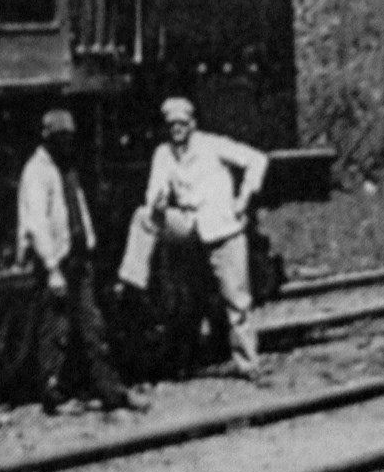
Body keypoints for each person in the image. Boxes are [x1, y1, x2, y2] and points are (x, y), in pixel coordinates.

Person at [116, 97, 269, 380]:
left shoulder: (212, 145)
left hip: (223, 229)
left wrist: (244, 198)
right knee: (143, 216)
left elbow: (257, 160)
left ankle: (249, 363)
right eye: (171, 125)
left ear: (192, 125)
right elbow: (155, 189)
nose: (177, 129)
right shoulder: (163, 153)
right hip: (188, 225)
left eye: (182, 124)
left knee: (237, 301)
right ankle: (132, 280)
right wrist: (158, 202)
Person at [18, 109, 149, 414]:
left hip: (77, 256)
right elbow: (36, 223)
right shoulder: (36, 172)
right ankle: (54, 397)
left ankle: (112, 392)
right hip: (56, 260)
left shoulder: (65, 168)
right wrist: (52, 268)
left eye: (69, 137)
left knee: (93, 327)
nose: (67, 143)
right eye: (60, 138)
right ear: (47, 138)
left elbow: (76, 208)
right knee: (56, 330)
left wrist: (89, 241)